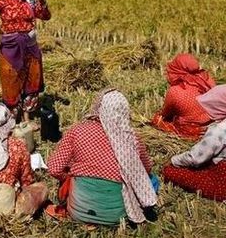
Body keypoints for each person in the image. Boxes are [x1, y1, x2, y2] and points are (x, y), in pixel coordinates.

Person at [47, 88, 158, 226]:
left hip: (78, 212)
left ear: (99, 107)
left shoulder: (77, 131)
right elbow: (145, 170)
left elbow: (54, 169)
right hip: (118, 217)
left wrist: (69, 177)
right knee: (153, 180)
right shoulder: (133, 139)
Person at [150, 53, 216, 140]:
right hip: (214, 124)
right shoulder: (207, 80)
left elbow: (166, 114)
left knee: (158, 119)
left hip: (193, 132)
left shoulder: (175, 91)